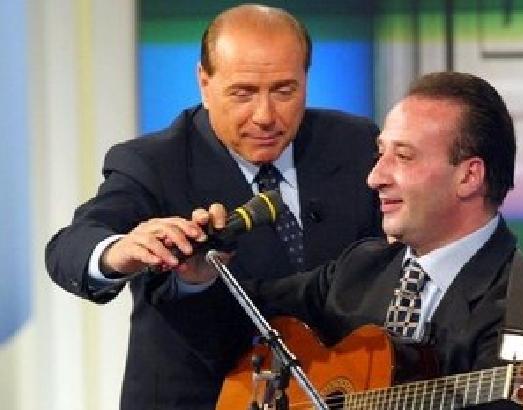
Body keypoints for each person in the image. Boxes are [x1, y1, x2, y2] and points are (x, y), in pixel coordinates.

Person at [44, 4, 381, 409]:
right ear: (204, 83)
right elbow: (70, 247)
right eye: (243, 93)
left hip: (330, 392)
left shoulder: (353, 143)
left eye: (283, 91)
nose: (265, 116)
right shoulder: (154, 164)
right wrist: (118, 252)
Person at [201, 71, 523, 409]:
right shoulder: (360, 267)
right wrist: (194, 276)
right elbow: (235, 318)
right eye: (380, 154)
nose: (375, 178)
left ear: (469, 177)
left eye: (403, 157)